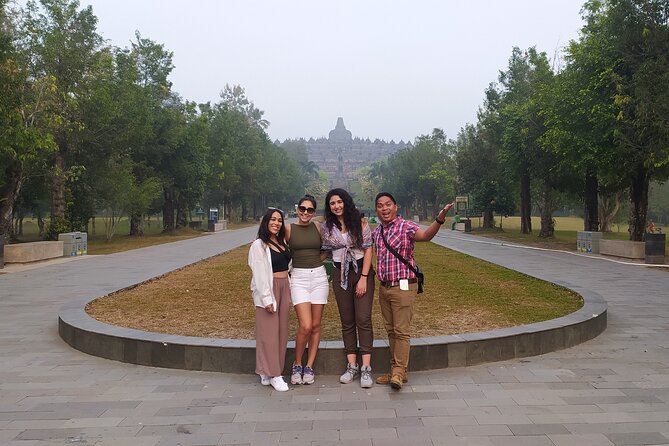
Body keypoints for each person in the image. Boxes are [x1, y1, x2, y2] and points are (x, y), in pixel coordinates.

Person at [372, 192, 454, 390]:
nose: (384, 208)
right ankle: (397, 371)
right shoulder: (377, 232)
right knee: (391, 330)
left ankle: (398, 372)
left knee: (401, 331)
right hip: (384, 288)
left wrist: (439, 219)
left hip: (404, 286)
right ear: (377, 210)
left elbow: (425, 236)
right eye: (380, 205)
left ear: (396, 206)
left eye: (388, 204)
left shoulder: (405, 226)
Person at [320, 188, 375, 388]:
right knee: (348, 320)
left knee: (363, 319)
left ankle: (366, 368)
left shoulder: (359, 222)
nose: (336, 206)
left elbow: (368, 249)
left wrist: (363, 278)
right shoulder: (326, 227)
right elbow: (325, 253)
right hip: (339, 273)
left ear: (346, 202)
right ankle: (352, 365)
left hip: (361, 272)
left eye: (339, 202)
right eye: (332, 203)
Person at [285, 194, 329, 385]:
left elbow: (328, 247)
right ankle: (297, 363)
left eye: (309, 210)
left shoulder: (318, 227)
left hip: (318, 277)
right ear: (297, 209)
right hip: (299, 279)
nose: (305, 212)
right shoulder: (289, 229)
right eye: (302, 208)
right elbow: (274, 243)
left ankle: (309, 366)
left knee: (316, 325)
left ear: (314, 212)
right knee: (306, 325)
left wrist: (315, 262)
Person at [248, 207, 292, 392]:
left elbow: (289, 265)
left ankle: (267, 371)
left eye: (279, 220)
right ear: (265, 222)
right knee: (268, 333)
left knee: (281, 331)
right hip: (269, 288)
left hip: (284, 286)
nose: (276, 223)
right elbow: (259, 274)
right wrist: (267, 298)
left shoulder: (281, 241)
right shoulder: (259, 245)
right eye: (272, 220)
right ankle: (274, 374)